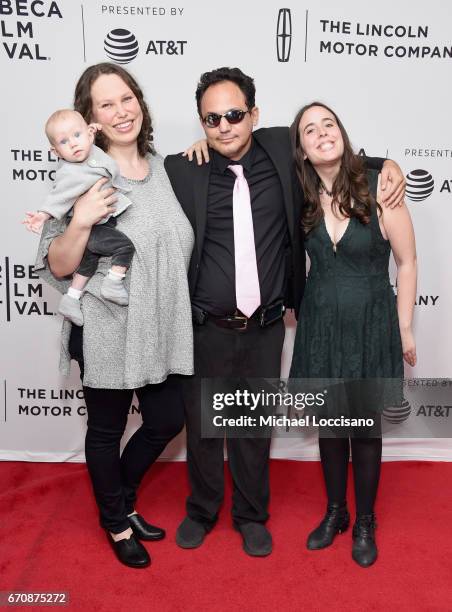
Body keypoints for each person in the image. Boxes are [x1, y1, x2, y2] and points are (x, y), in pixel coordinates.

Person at [164, 67, 406, 557]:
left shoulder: (280, 151)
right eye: (212, 119)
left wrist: (389, 163)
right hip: (205, 322)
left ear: (254, 114)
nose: (225, 126)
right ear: (201, 125)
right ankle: (202, 509)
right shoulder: (181, 168)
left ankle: (251, 515)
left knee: (253, 426)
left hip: (267, 324)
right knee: (206, 424)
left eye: (235, 114)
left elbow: (336, 157)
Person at [34, 63, 194, 568]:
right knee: (105, 431)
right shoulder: (81, 173)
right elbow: (58, 264)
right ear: (90, 119)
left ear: (140, 103)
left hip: (160, 325)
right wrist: (80, 219)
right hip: (105, 324)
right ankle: (117, 521)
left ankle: (119, 499)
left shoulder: (169, 169)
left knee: (168, 418)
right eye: (106, 104)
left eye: (127, 98)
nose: (121, 111)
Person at [288, 102, 417, 567]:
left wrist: (404, 328)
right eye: (309, 130)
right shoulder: (300, 199)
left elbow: (407, 262)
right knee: (329, 426)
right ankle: (335, 512)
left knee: (363, 430)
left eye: (329, 124)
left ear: (342, 132)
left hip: (370, 324)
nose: (322, 133)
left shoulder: (381, 188)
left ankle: (365, 520)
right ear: (300, 150)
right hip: (320, 326)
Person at [24, 109, 135, 326]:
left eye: (77, 135)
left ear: (89, 134)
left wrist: (92, 131)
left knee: (88, 263)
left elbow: (92, 146)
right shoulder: (69, 172)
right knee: (124, 247)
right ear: (55, 151)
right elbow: (59, 197)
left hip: (101, 224)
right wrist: (43, 215)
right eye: (64, 142)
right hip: (93, 229)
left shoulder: (89, 151)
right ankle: (113, 282)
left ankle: (71, 298)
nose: (74, 144)